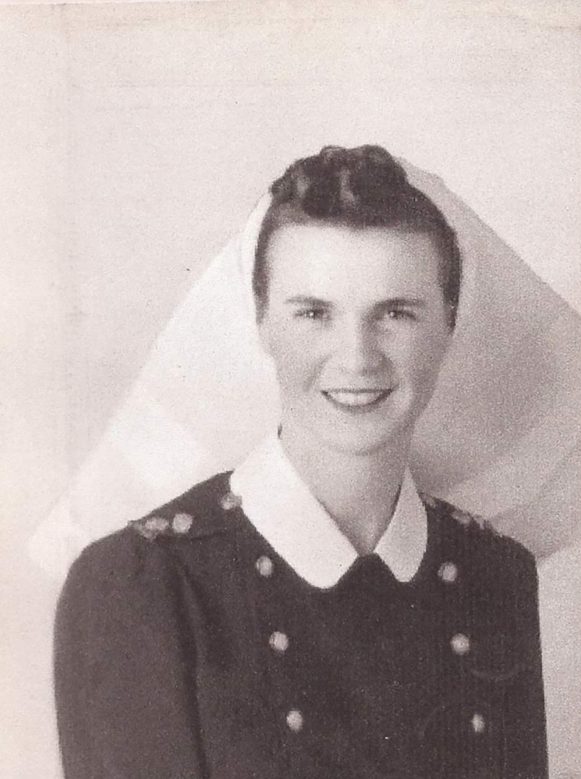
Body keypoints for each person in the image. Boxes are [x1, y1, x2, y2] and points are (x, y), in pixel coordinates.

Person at [53, 144, 548, 778]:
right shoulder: (140, 583)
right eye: (314, 313)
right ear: (262, 322)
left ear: (449, 321)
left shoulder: (495, 573)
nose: (358, 358)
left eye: (395, 313)